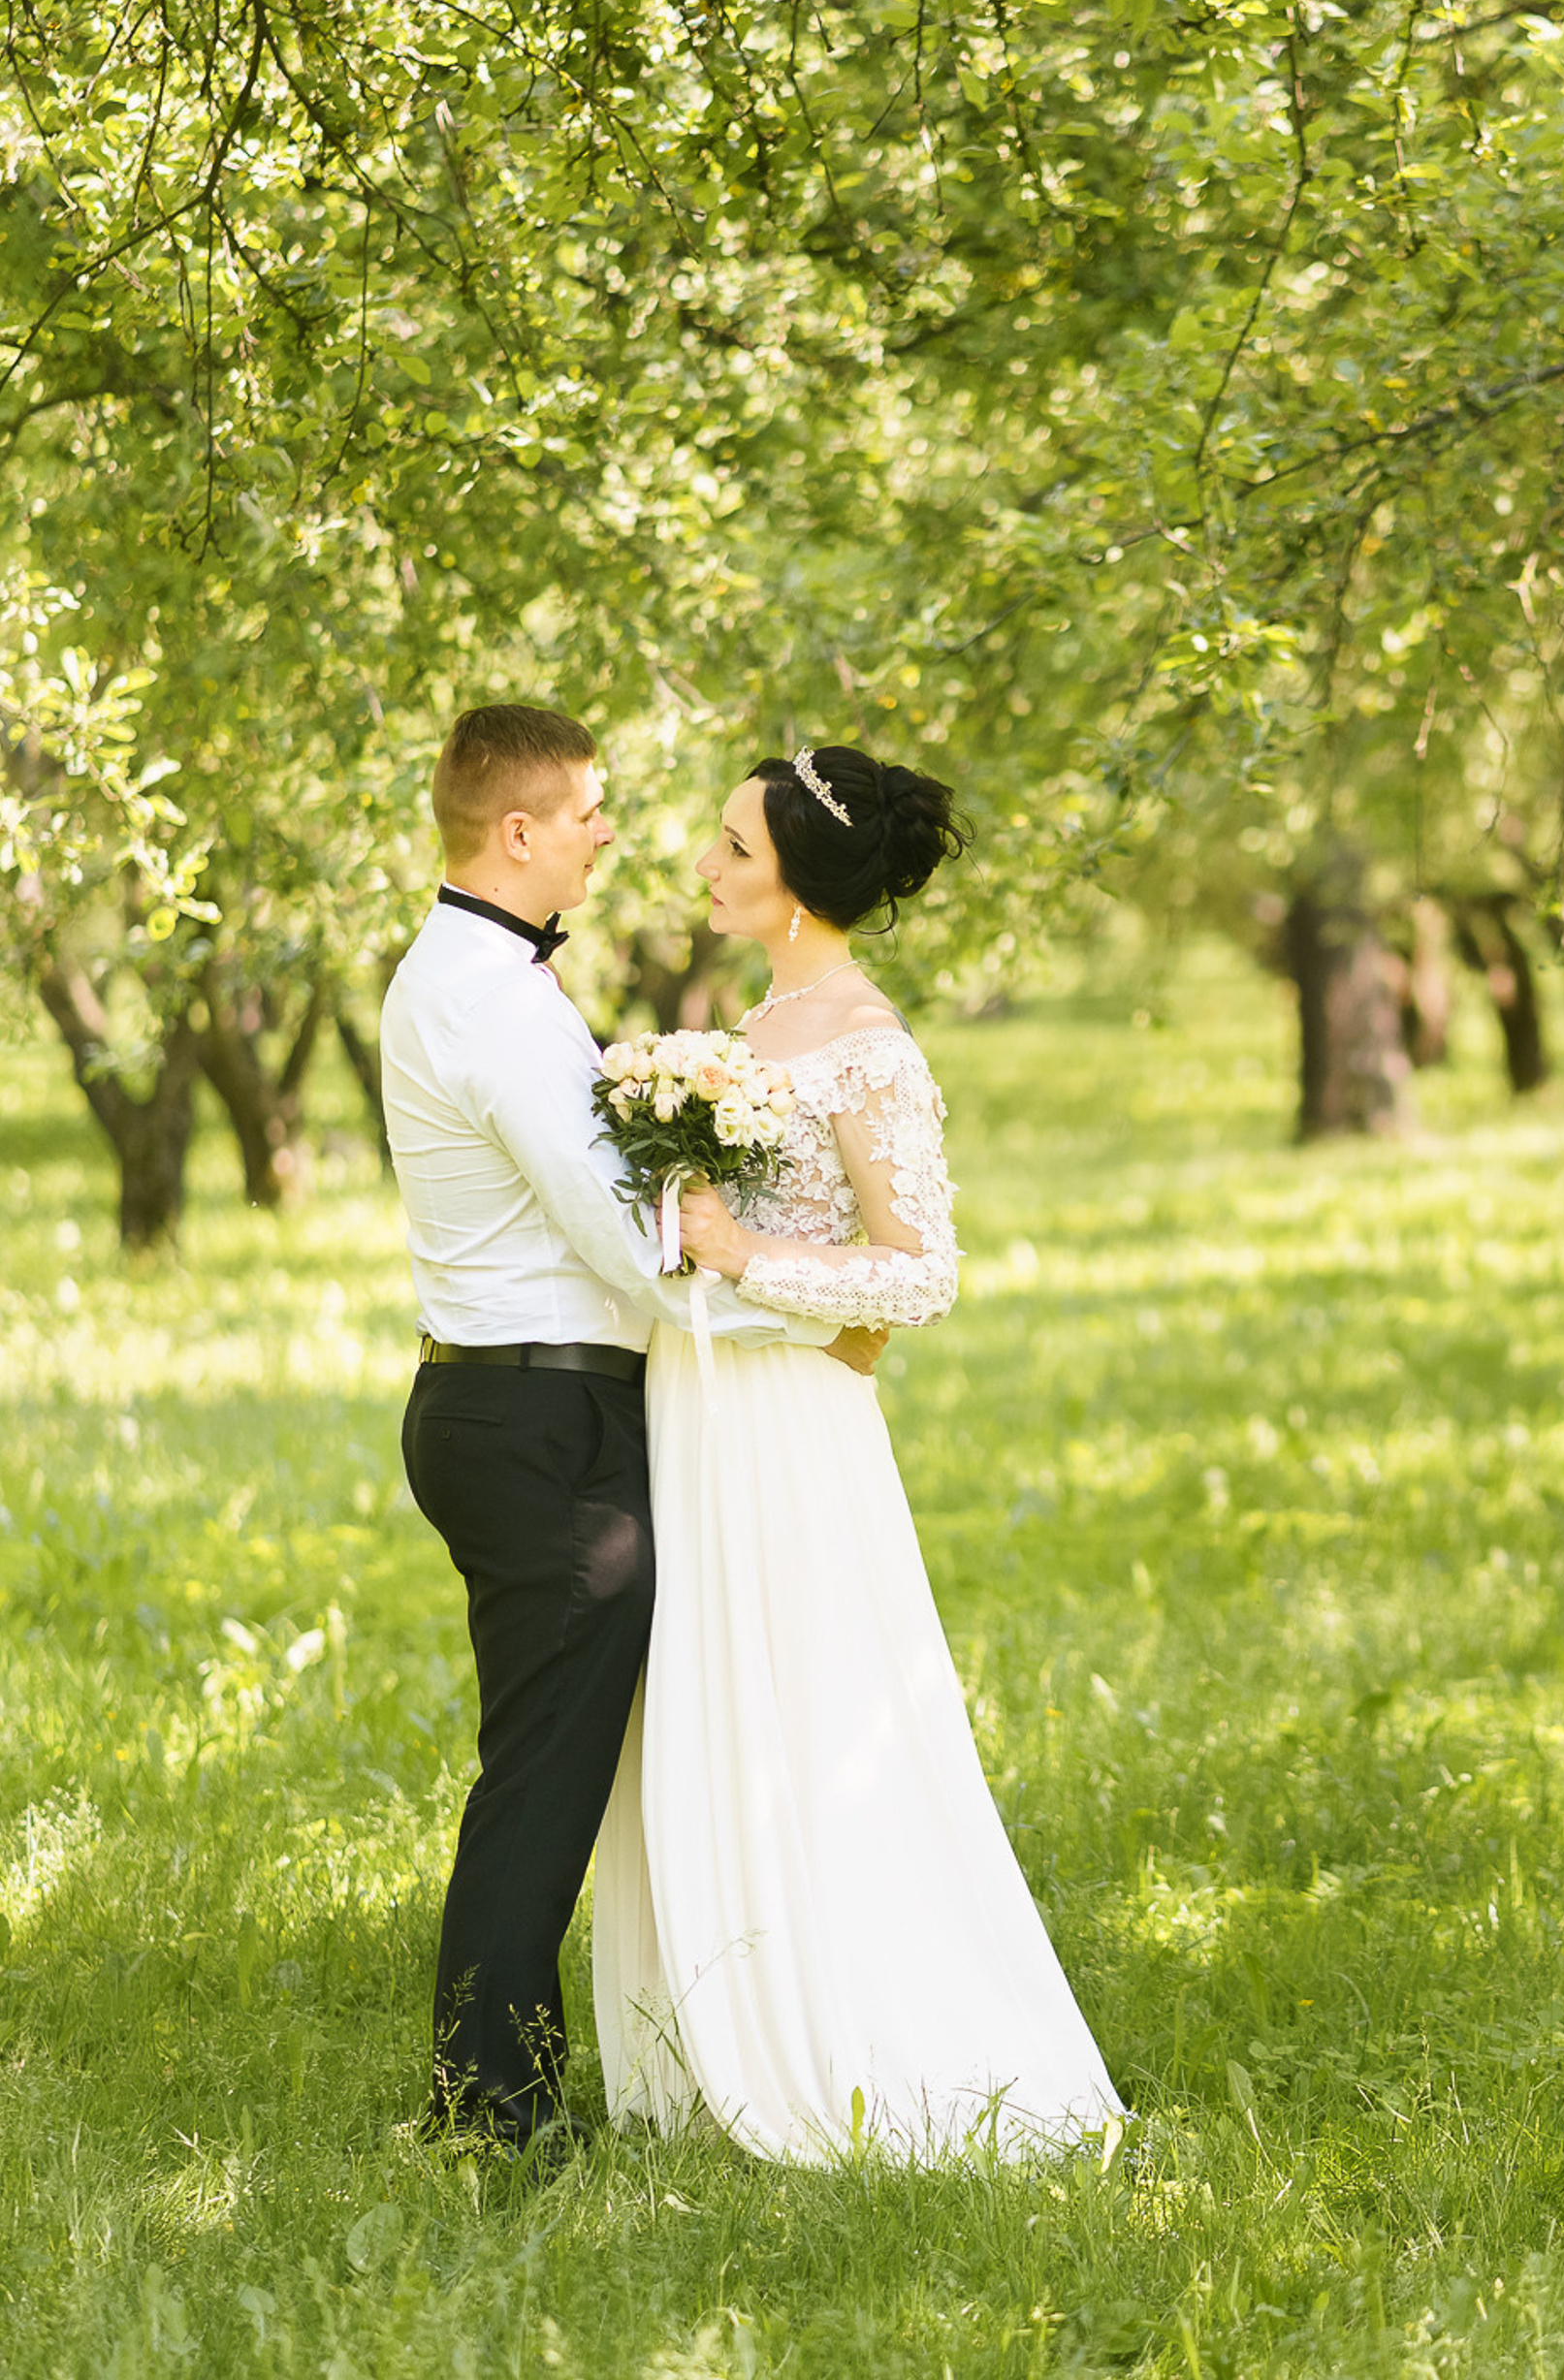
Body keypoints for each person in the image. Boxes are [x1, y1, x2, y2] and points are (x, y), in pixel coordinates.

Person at [590, 744, 1124, 2162]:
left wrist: (743, 1249)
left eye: (732, 851)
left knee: (806, 1710)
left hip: (790, 1428)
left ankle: (845, 2033)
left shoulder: (868, 1047)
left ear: (800, 887)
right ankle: (704, 2031)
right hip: (689, 1404)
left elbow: (921, 1274)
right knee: (702, 1701)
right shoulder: (740, 1032)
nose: (704, 865)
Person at [380, 704, 880, 2164]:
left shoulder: (488, 977)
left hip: (524, 1402)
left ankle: (521, 2081)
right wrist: (792, 1305)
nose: (610, 829)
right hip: (542, 1416)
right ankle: (494, 2109)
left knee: (550, 1758)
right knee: (541, 1769)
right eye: (587, 809)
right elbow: (616, 1237)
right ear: (517, 832)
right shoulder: (484, 994)